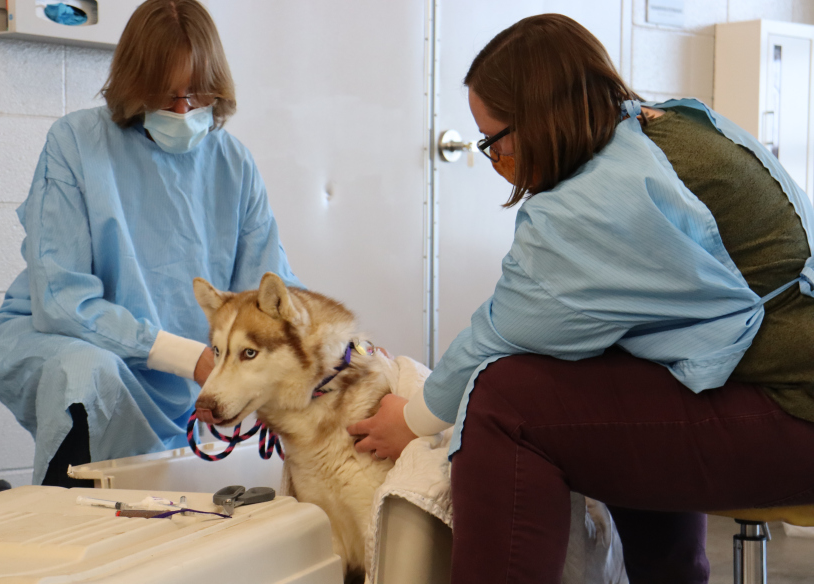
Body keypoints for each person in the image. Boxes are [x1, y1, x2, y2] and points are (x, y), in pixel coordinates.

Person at [348, 13, 814, 584]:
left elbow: (501, 332)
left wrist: (414, 419)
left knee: (503, 403)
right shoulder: (670, 128)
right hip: (789, 389)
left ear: (540, 121)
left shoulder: (595, 201)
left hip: (794, 411)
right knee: (607, 364)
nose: (497, 161)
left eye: (495, 142)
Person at [0, 0, 300, 488]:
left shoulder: (232, 162)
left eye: (196, 96)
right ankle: (67, 519)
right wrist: (189, 358)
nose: (182, 111)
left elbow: (270, 287)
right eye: (167, 97)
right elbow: (63, 301)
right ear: (134, 87)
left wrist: (330, 348)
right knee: (89, 373)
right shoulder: (75, 143)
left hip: (196, 368)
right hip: (76, 340)